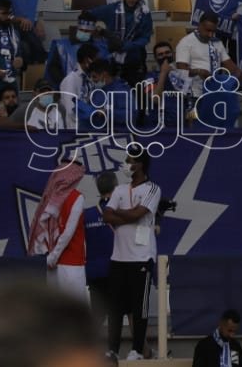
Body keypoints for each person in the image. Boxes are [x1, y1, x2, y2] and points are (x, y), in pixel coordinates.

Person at [103, 153, 161, 361]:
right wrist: (129, 215)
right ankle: (113, 350)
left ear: (141, 164)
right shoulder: (119, 189)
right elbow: (106, 215)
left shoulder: (152, 188)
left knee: (140, 307)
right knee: (115, 307)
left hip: (141, 256)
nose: (127, 165)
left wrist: (121, 215)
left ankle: (137, 349)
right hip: (118, 256)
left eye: (131, 161)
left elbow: (140, 214)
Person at [28, 160, 89, 303]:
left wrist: (49, 258)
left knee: (56, 311)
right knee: (74, 311)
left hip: (51, 264)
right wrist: (54, 257)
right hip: (70, 264)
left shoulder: (50, 196)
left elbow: (38, 227)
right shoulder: (76, 197)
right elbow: (68, 232)